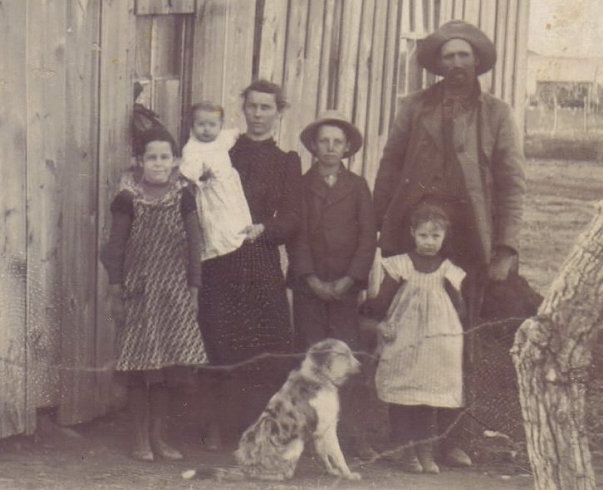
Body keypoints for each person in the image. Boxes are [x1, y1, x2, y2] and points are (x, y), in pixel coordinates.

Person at [372, 19, 526, 465]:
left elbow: (513, 184)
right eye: (448, 56)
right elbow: (388, 167)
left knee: (458, 340)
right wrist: (378, 232)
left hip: (467, 243)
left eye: (464, 55)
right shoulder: (414, 106)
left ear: (476, 61)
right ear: (437, 64)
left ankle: (454, 440)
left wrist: (506, 248)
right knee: (406, 339)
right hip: (412, 236)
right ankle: (403, 439)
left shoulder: (497, 113)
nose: (456, 63)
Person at [197, 80, 301, 443]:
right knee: (220, 337)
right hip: (221, 259)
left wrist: (265, 229)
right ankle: (215, 426)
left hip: (260, 258)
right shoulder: (223, 150)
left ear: (278, 112)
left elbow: (292, 217)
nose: (258, 114)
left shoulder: (286, 161)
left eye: (266, 108)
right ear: (244, 109)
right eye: (252, 107)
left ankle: (259, 428)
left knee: (264, 343)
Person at [100, 129, 208, 462]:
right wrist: (116, 290)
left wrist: (193, 289)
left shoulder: (184, 196)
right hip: (139, 292)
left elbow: (195, 245)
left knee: (166, 369)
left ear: (175, 161)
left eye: (165, 157)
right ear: (139, 161)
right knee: (138, 368)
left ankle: (159, 436)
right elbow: (114, 249)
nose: (158, 163)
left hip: (174, 294)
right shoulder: (127, 198)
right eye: (151, 157)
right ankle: (138, 439)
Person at [286, 111, 377, 459]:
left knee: (348, 360)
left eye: (337, 142)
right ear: (313, 146)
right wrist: (309, 277)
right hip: (310, 287)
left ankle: (355, 435)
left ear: (347, 148)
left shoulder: (357, 187)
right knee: (310, 359)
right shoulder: (301, 185)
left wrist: (349, 279)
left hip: (344, 289)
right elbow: (298, 237)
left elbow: (368, 238)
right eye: (323, 141)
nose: (330, 147)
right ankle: (308, 436)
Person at [361, 203, 467, 474]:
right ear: (412, 233)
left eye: (435, 236)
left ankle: (425, 449)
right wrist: (373, 318)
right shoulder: (400, 266)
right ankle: (403, 449)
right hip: (405, 336)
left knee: (428, 395)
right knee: (403, 392)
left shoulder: (448, 269)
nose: (429, 242)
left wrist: (455, 332)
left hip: (437, 341)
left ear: (444, 237)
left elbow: (460, 308)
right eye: (423, 236)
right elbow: (383, 300)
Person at [180, 102, 252, 260]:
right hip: (210, 191)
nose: (206, 129)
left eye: (212, 124)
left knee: (234, 215)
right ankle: (217, 248)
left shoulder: (221, 139)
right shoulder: (193, 147)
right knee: (214, 223)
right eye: (201, 124)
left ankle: (237, 236)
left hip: (229, 188)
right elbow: (189, 170)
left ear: (220, 126)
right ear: (192, 126)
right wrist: (199, 174)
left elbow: (235, 134)